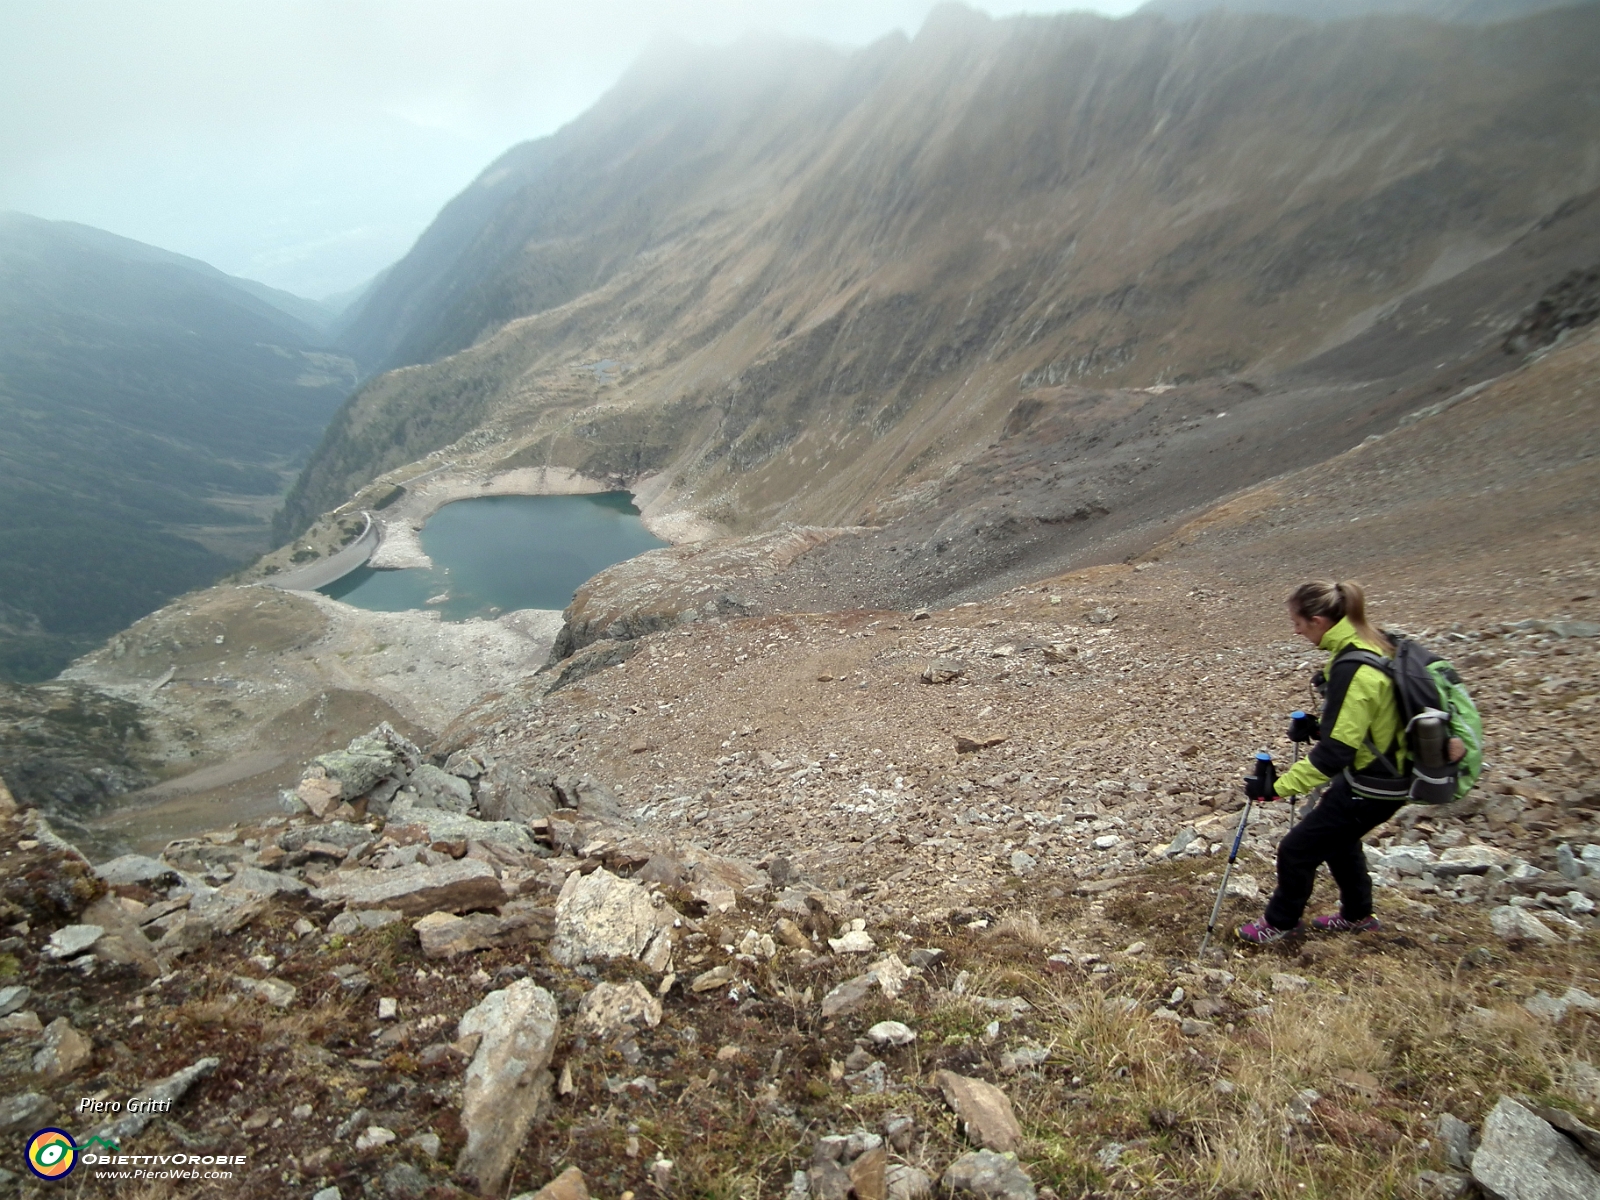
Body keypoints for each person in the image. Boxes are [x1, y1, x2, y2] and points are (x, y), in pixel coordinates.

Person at [1237, 580, 1426, 945]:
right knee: (1340, 839)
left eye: (1298, 623)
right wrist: (1320, 726)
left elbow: (1335, 754)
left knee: (1296, 849)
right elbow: (1366, 719)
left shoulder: (1352, 667)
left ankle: (1280, 924)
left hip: (1375, 784)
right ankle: (1358, 915)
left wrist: (1275, 789)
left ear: (1319, 620)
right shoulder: (1365, 644)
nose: (1295, 630)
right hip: (1383, 773)